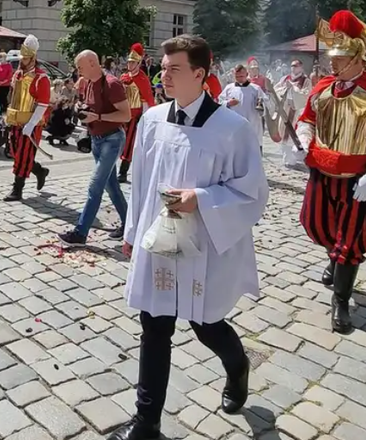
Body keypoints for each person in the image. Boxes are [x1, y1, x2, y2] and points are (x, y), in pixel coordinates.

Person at [112, 35, 268, 440]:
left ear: (200, 74)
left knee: (206, 324)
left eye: (173, 69)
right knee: (154, 324)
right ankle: (147, 422)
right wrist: (132, 232)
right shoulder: (152, 120)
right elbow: (143, 184)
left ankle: (237, 367)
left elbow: (252, 191)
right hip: (158, 240)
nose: (163, 75)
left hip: (206, 242)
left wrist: (200, 198)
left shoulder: (232, 129)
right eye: (162, 67)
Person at [293, 10, 366, 333]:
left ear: (358, 57)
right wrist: (303, 142)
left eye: (340, 57)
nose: (333, 64)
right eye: (333, 57)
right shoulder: (324, 88)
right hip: (321, 174)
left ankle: (341, 301)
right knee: (318, 225)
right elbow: (307, 121)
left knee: (351, 241)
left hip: (357, 180)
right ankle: (334, 257)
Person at [59, 50, 131, 244]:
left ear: (92, 62)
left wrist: (98, 117)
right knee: (111, 186)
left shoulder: (112, 84)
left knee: (95, 186)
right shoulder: (89, 82)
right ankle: (130, 225)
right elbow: (90, 105)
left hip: (112, 139)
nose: (78, 70)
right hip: (97, 139)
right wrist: (80, 108)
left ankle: (80, 233)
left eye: (80, 66)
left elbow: (126, 115)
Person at [3, 35, 51, 202]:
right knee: (16, 153)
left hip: (31, 122)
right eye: (22, 58)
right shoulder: (18, 74)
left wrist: (31, 124)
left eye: (26, 58)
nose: (22, 61)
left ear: (33, 58)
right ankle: (39, 170)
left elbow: (43, 104)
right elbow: (13, 96)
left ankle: (17, 189)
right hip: (15, 119)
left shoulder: (41, 77)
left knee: (24, 155)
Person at [118, 43, 155, 186]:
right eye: (129, 61)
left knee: (130, 144)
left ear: (139, 63)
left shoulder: (142, 78)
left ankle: (123, 172)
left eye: (133, 62)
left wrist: (144, 118)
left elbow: (148, 99)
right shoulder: (123, 76)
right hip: (122, 114)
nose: (130, 64)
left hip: (136, 116)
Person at [219, 64, 275, 152]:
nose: (239, 78)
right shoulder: (229, 88)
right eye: (236, 76)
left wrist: (261, 106)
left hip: (252, 125)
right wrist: (228, 103)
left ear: (247, 74)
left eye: (241, 76)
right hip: (234, 127)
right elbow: (219, 103)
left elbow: (269, 105)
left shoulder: (256, 89)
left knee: (253, 153)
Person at [275, 60, 313, 169]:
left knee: (294, 134)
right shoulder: (285, 78)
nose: (293, 68)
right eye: (292, 65)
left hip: (297, 112)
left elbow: (306, 96)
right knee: (283, 133)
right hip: (285, 110)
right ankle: (286, 158)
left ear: (301, 67)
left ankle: (293, 157)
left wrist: (293, 89)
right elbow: (276, 91)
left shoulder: (306, 81)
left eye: (296, 66)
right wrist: (285, 89)